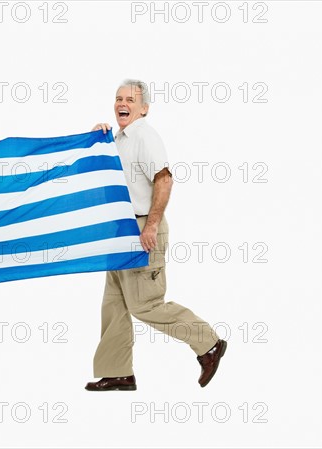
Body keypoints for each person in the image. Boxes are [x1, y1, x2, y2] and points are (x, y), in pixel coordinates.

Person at [86, 79, 227, 391]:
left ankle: (209, 343)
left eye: (130, 100)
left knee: (145, 304)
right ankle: (118, 371)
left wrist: (150, 226)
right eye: (118, 98)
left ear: (144, 108)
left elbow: (164, 180)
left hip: (141, 229)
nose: (122, 104)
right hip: (119, 230)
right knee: (115, 304)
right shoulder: (119, 138)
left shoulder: (145, 137)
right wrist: (95, 138)